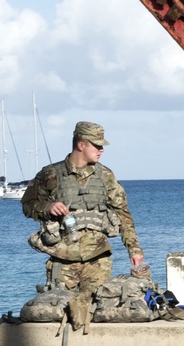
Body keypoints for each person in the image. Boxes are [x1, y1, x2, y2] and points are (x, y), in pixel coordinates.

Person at [21, 121, 144, 301]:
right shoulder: (49, 174)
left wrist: (134, 249)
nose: (101, 150)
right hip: (61, 257)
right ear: (81, 144)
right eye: (97, 145)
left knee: (97, 309)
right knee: (57, 310)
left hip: (97, 258)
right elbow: (27, 205)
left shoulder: (106, 176)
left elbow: (123, 214)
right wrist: (47, 207)